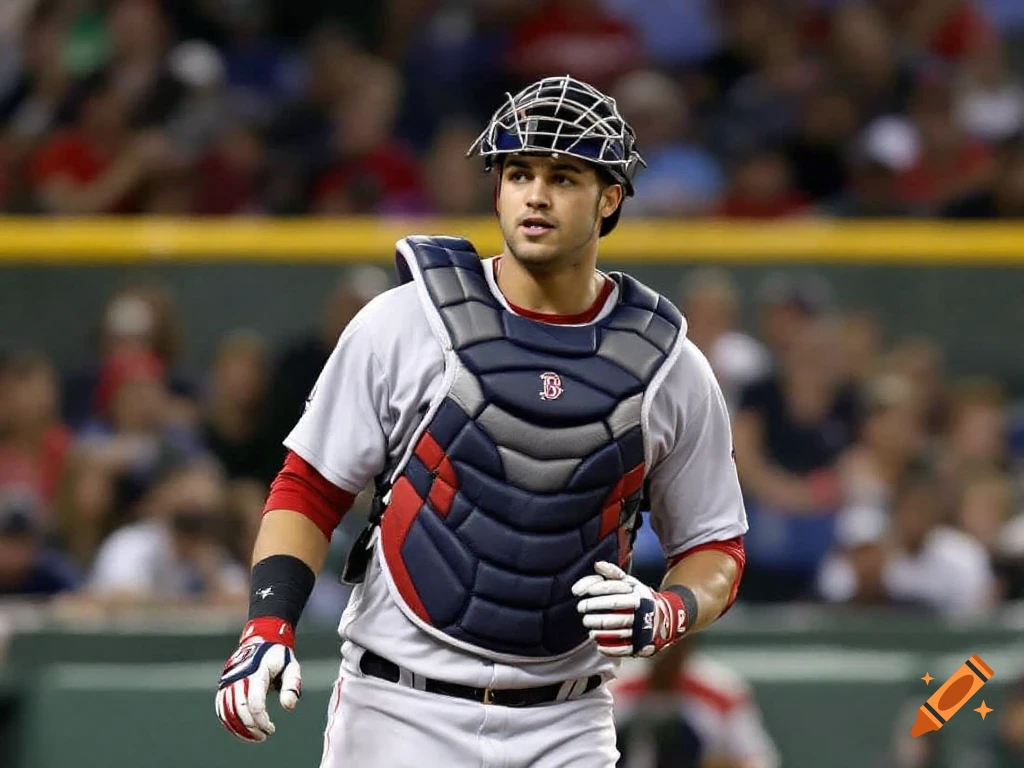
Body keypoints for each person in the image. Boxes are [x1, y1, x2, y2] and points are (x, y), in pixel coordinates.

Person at [214, 75, 748, 766]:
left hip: (567, 719)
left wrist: (670, 611)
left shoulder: (668, 363)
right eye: (519, 171)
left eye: (564, 176)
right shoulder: (405, 321)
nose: (536, 193)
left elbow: (717, 548)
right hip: (400, 709)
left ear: (610, 197)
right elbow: (309, 488)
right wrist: (266, 625)